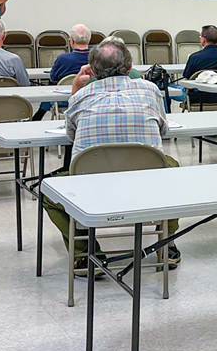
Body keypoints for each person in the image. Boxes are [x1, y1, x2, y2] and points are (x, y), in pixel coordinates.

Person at [43, 37, 181, 269]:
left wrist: (76, 88)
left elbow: (71, 136)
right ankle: (166, 244)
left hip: (92, 189)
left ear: (92, 71)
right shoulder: (151, 90)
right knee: (173, 169)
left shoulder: (80, 97)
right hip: (148, 186)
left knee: (48, 192)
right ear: (129, 68)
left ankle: (86, 254)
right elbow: (163, 129)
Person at [33, 24, 92, 120]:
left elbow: (53, 78)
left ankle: (37, 117)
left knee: (52, 88)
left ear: (71, 40)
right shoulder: (97, 58)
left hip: (65, 100)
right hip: (90, 97)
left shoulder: (63, 59)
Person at [181, 25, 217, 107]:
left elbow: (187, 77)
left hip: (197, 97)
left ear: (203, 39)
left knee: (166, 90)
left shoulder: (195, 57)